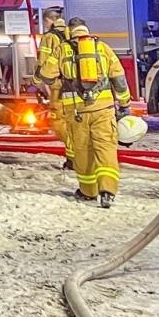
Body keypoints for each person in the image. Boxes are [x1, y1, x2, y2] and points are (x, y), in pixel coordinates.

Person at [62, 18, 131, 207]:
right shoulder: (103, 48)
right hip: (103, 110)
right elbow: (118, 76)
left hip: (77, 111)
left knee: (83, 151)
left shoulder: (62, 49)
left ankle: (88, 192)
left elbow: (48, 74)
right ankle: (107, 192)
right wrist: (124, 103)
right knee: (106, 149)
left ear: (70, 32)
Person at [37, 6, 76, 166]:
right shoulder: (72, 33)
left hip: (58, 87)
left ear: (49, 20)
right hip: (76, 86)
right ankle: (76, 155)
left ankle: (75, 156)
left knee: (58, 122)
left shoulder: (49, 37)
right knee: (73, 122)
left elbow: (43, 64)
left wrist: (40, 85)